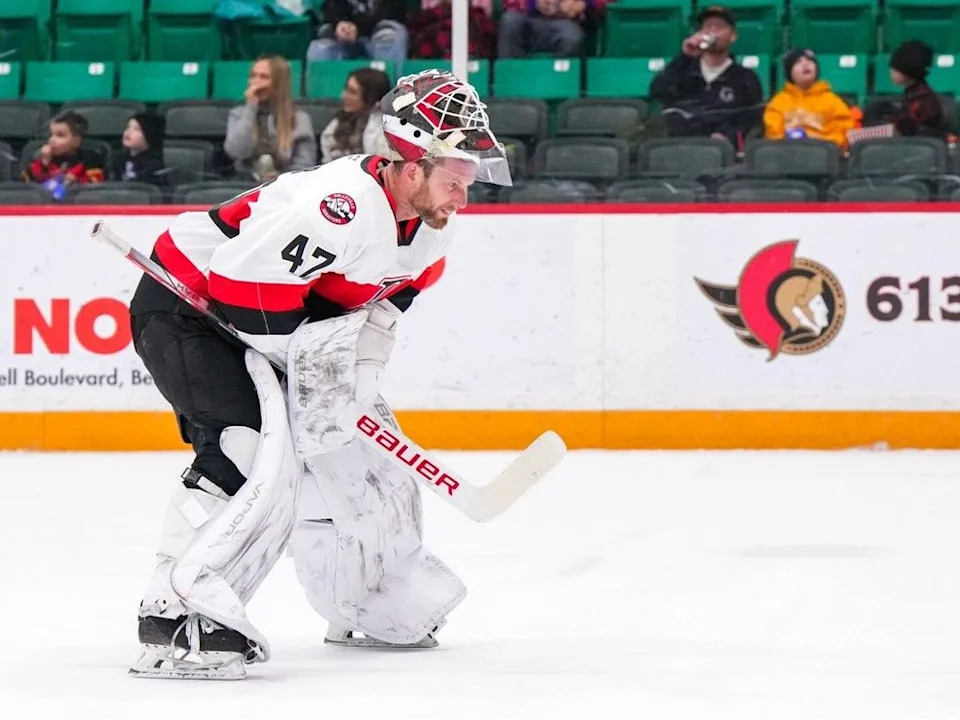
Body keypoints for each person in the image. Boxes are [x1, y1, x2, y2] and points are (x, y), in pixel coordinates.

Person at [126, 69, 512, 680]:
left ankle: (369, 600)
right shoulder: (339, 207)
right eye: (455, 178)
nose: (465, 194)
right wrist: (309, 378)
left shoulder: (432, 229)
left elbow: (381, 314)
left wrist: (354, 381)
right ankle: (174, 611)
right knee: (251, 448)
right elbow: (237, 291)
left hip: (272, 328)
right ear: (411, 165)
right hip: (188, 313)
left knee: (353, 453)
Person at [650, 5, 763, 146]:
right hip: (679, 146)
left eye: (719, 27)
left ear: (733, 36)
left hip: (722, 150)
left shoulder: (745, 78)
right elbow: (657, 91)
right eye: (708, 26)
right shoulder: (683, 69)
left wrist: (727, 135)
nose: (712, 31)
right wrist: (684, 57)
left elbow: (751, 119)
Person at [223, 55, 317, 181]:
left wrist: (279, 178)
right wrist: (251, 108)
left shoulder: (300, 119)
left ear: (279, 84)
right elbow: (235, 151)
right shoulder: (238, 114)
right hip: (243, 186)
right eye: (253, 76)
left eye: (264, 77)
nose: (255, 82)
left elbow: (305, 166)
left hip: (286, 188)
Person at [764, 49, 854, 146]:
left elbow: (843, 133)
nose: (805, 64)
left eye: (810, 61)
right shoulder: (778, 103)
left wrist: (820, 141)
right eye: (798, 62)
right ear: (790, 72)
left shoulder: (832, 101)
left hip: (822, 154)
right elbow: (773, 135)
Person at [22, 110, 104, 198]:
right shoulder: (41, 158)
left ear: (77, 141)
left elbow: (94, 187)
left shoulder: (90, 159)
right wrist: (44, 164)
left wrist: (74, 182)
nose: (51, 140)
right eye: (50, 135)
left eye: (60, 135)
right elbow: (30, 187)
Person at [320, 67, 391, 163]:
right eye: (346, 89)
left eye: (352, 92)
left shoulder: (387, 129)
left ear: (371, 97)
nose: (344, 95)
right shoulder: (338, 122)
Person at [306, 0, 407, 63]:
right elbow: (330, 7)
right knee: (319, 46)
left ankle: (389, 92)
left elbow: (393, 12)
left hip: (378, 37)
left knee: (392, 32)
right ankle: (319, 94)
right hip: (347, 39)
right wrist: (340, 24)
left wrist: (358, 28)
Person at [497, 0, 606, 59]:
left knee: (571, 36)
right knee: (510, 21)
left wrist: (584, 3)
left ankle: (558, 87)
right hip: (528, 17)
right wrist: (534, 3)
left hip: (566, 22)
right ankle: (511, 85)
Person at [888, 40, 947, 138]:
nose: (891, 72)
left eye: (896, 69)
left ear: (908, 71)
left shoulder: (924, 100)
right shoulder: (911, 94)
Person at [408, 0, 496, 59]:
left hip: (470, 19)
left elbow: (485, 13)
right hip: (438, 20)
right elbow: (427, 12)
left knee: (472, 29)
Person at [112, 112, 168, 186]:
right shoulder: (117, 160)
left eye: (137, 129)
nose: (129, 132)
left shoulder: (154, 167)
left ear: (149, 135)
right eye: (128, 127)